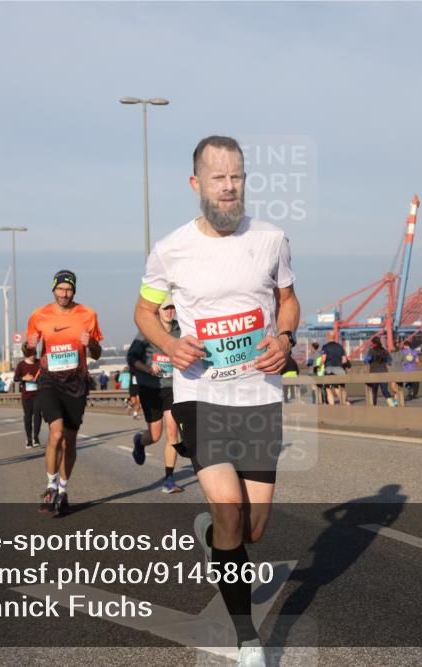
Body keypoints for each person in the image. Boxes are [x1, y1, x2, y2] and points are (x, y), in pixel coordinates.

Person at [134, 135, 299, 667]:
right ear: (196, 184)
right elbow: (143, 311)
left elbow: (287, 301)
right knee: (230, 511)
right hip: (201, 395)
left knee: (252, 529)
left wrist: (285, 339)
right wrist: (170, 344)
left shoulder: (272, 239)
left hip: (258, 396)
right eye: (218, 178)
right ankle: (247, 638)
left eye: (237, 177)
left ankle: (214, 537)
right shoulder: (170, 250)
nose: (229, 188)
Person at [25, 270, 103, 516]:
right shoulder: (39, 315)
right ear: (53, 289)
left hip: (76, 383)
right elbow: (27, 346)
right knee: (56, 433)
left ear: (74, 291)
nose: (64, 293)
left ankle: (63, 489)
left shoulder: (88, 315)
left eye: (68, 289)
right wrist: (28, 344)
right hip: (49, 381)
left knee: (70, 441)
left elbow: (97, 352)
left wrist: (89, 342)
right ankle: (50, 487)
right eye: (60, 289)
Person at [128, 298, 185, 494]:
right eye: (166, 308)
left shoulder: (181, 329)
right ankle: (139, 442)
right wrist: (147, 368)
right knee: (154, 435)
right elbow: (131, 358)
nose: (170, 311)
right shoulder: (148, 331)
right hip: (150, 388)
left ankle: (169, 479)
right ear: (158, 311)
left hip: (172, 388)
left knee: (172, 431)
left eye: (172, 308)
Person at [15, 343, 43, 448]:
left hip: (38, 394)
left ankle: (36, 437)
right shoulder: (21, 365)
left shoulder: (40, 363)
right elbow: (15, 378)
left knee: (38, 414)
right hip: (26, 395)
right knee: (28, 417)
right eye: (31, 355)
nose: (33, 357)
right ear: (26, 354)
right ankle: (29, 438)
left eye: (34, 354)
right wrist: (24, 378)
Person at [364, 336, 397, 407]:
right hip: (383, 372)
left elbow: (367, 360)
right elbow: (389, 360)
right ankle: (392, 404)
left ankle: (374, 406)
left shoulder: (371, 351)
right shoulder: (384, 350)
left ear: (373, 343)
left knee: (374, 392)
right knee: (385, 391)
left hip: (374, 373)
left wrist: (367, 359)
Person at [320, 331, 348, 405]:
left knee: (328, 389)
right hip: (339, 369)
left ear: (327, 337)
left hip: (329, 369)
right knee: (338, 388)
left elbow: (323, 359)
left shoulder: (325, 347)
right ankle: (344, 403)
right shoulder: (340, 346)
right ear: (335, 337)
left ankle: (332, 406)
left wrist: (319, 367)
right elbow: (344, 360)